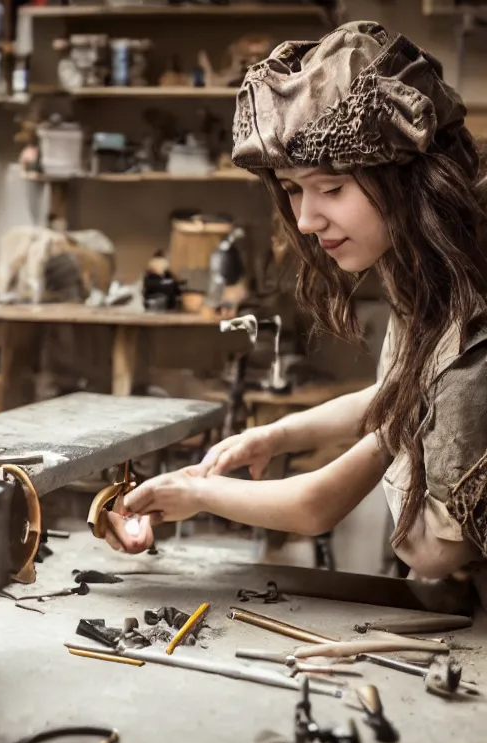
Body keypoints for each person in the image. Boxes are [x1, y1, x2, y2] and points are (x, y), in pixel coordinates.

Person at [104, 20, 487, 582]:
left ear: (412, 180)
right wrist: (276, 435)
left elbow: (430, 548)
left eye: (331, 188)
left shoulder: (474, 311)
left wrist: (200, 493)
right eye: (292, 189)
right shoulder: (427, 267)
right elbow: (397, 393)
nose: (306, 220)